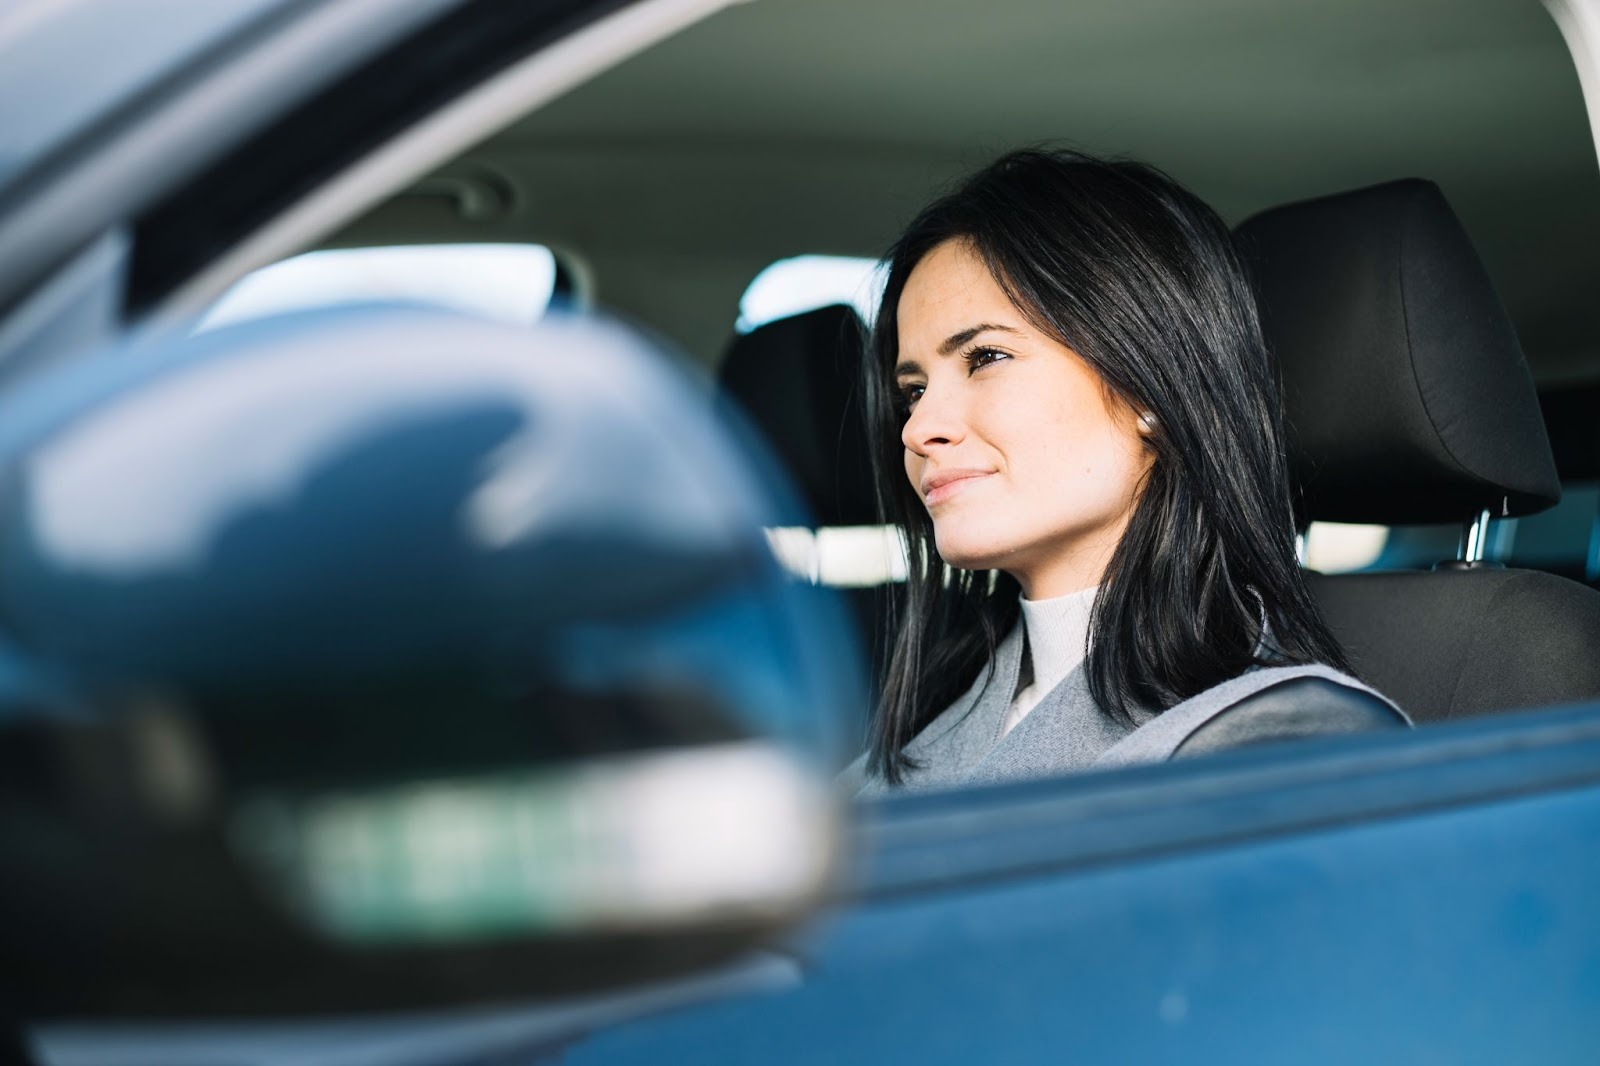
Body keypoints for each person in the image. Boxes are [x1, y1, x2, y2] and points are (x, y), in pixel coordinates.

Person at [846, 148, 1407, 795]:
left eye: (986, 357)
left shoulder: (1284, 740)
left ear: (1150, 388)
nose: (918, 430)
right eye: (913, 391)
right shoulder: (930, 715)